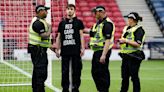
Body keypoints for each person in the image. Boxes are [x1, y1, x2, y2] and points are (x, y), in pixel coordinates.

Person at [55, 4, 85, 92]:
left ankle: (75, 88)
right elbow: (58, 37)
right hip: (65, 51)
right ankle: (65, 88)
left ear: (74, 10)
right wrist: (57, 49)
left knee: (76, 71)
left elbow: (81, 36)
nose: (69, 11)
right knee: (64, 71)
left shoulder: (79, 22)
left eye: (71, 9)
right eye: (68, 9)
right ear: (65, 11)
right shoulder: (62, 23)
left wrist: (83, 48)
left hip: (76, 50)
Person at [27, 5, 54, 92]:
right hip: (38, 51)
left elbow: (44, 42)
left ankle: (36, 89)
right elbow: (45, 36)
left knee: (37, 73)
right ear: (40, 11)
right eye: (45, 10)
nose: (47, 12)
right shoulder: (38, 23)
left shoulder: (40, 21)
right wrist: (50, 28)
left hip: (39, 50)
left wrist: (54, 50)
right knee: (41, 74)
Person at [89, 5, 115, 92]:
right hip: (97, 51)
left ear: (100, 12)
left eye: (95, 12)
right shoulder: (98, 24)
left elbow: (108, 40)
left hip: (103, 51)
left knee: (102, 73)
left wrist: (103, 55)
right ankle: (101, 90)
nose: (94, 14)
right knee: (95, 72)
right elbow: (92, 34)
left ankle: (104, 90)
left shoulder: (107, 24)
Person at [118, 12, 145, 92]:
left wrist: (125, 40)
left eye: (129, 18)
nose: (128, 20)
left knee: (134, 77)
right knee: (124, 77)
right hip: (125, 56)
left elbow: (137, 44)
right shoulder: (126, 28)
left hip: (134, 57)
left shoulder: (139, 30)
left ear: (133, 20)